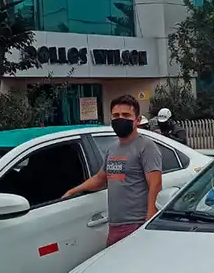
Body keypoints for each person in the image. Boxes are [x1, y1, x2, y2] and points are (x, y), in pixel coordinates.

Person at [63, 95, 162, 247]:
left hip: (136, 224)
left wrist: (150, 216)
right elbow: (100, 179)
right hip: (115, 225)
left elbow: (155, 184)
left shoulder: (146, 146)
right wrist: (73, 191)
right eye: (116, 115)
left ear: (137, 120)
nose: (120, 119)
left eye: (126, 115)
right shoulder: (113, 149)